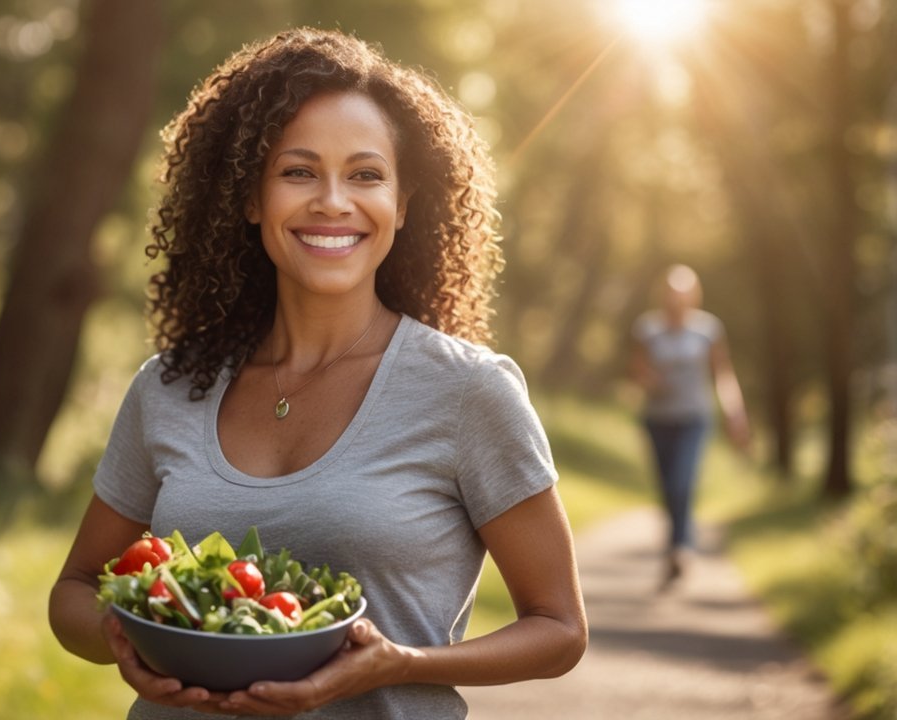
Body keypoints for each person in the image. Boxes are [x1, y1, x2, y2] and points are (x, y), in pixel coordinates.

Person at [48, 28, 587, 719]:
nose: (333, 202)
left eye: (366, 175)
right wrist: (126, 642)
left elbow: (560, 630)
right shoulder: (169, 386)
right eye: (298, 171)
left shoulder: (467, 391)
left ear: (403, 202)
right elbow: (75, 589)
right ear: (251, 198)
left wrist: (397, 664)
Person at [630, 264, 750, 589]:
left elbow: (722, 373)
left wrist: (735, 412)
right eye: (672, 294)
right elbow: (638, 371)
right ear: (664, 296)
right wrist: (652, 383)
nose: (677, 301)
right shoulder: (648, 329)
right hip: (657, 420)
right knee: (668, 487)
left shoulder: (708, 330)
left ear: (693, 296)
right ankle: (675, 544)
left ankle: (680, 549)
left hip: (694, 419)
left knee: (683, 481)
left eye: (683, 294)